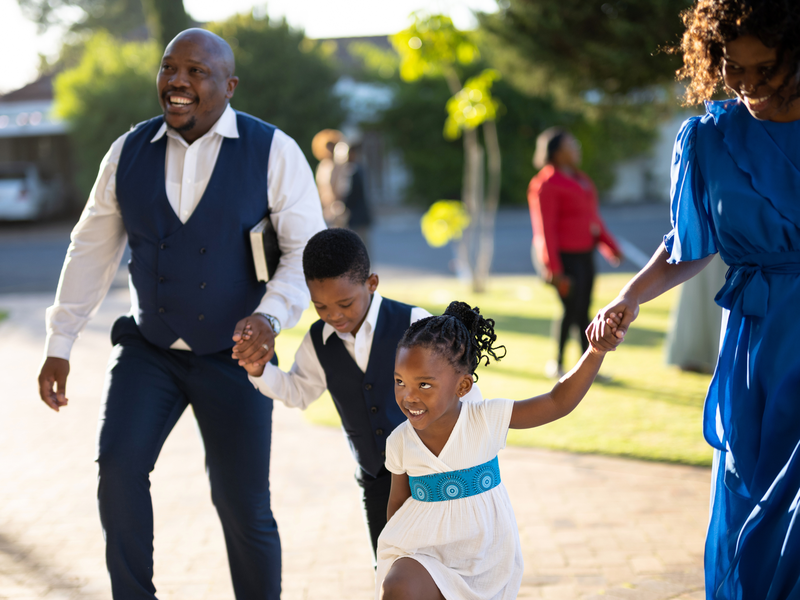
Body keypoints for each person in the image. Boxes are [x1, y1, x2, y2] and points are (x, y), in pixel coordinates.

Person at [36, 28, 325, 599]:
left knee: (243, 506)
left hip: (235, 357)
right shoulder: (127, 152)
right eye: (170, 68)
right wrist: (60, 341)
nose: (178, 82)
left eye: (196, 72)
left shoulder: (273, 150)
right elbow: (91, 248)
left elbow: (306, 252)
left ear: (229, 85)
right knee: (118, 470)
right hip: (151, 351)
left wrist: (268, 318)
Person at [588, 1, 800, 597]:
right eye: (735, 66)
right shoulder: (711, 138)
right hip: (757, 354)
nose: (749, 83)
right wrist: (629, 297)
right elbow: (689, 243)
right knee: (753, 515)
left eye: (767, 69)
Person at [239, 228, 481, 565]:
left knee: (445, 568)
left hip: (435, 476)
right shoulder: (317, 342)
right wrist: (259, 370)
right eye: (320, 306)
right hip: (376, 483)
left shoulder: (413, 322)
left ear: (371, 283)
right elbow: (299, 391)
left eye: (345, 303)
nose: (334, 315)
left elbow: (465, 394)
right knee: (389, 569)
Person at [376, 301, 620, 600]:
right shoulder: (400, 441)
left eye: (424, 384)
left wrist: (595, 352)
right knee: (399, 588)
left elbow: (557, 402)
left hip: (484, 555)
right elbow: (397, 503)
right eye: (400, 382)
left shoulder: (485, 419)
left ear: (463, 386)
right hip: (420, 550)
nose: (408, 396)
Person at [527, 128, 622, 378]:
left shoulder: (581, 180)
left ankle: (586, 369)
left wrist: (609, 246)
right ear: (556, 153)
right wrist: (554, 269)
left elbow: (593, 218)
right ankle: (558, 364)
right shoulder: (545, 184)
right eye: (572, 145)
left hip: (585, 256)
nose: (577, 148)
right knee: (572, 311)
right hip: (563, 259)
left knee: (584, 310)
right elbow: (544, 229)